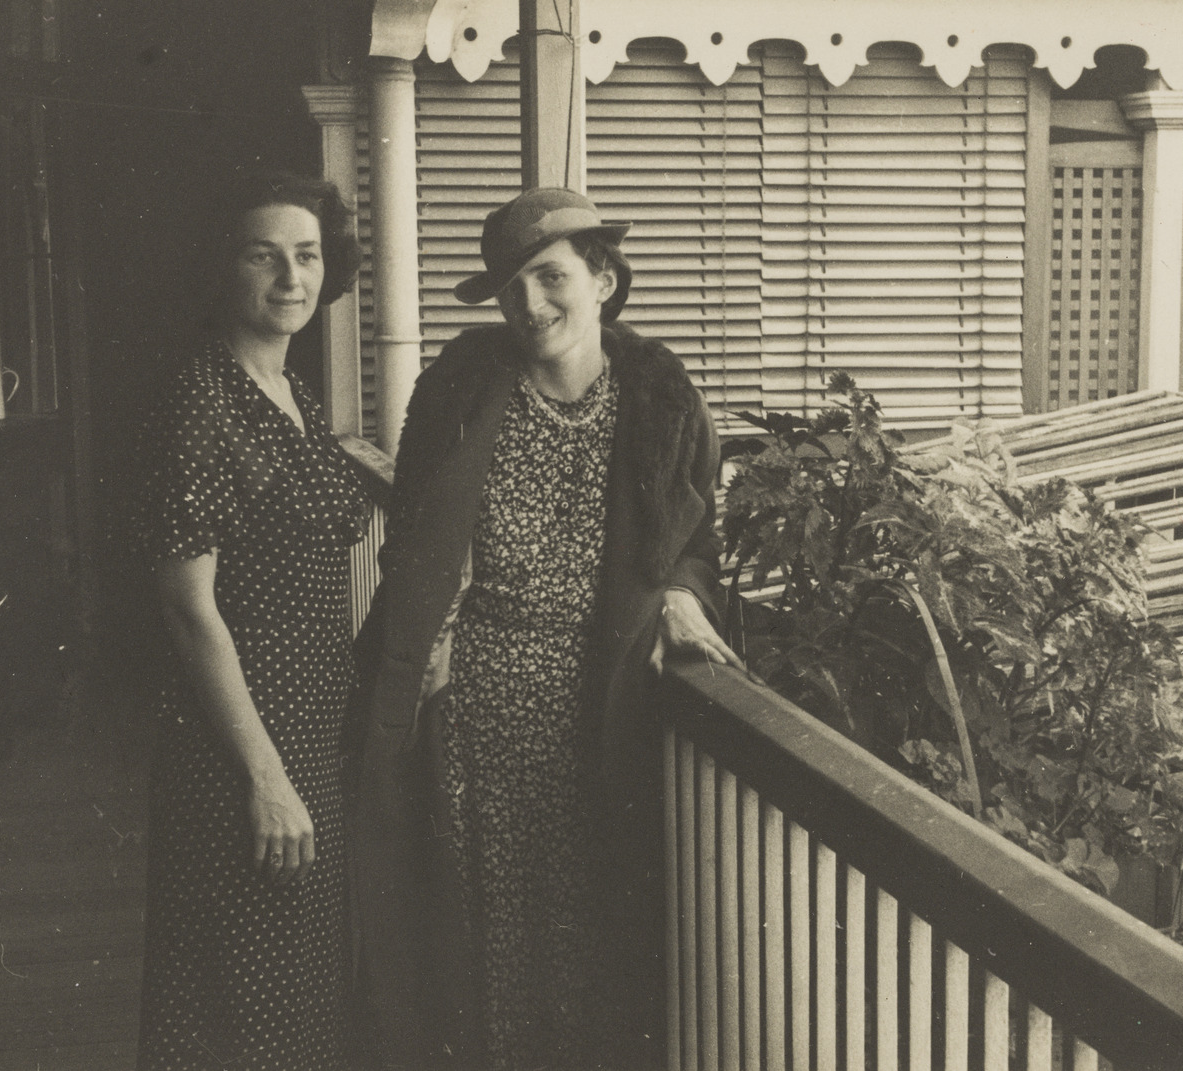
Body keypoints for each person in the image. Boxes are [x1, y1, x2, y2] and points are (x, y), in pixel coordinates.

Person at [350, 187, 745, 1071]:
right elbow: (412, 538)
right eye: (512, 285)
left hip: (600, 708)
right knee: (483, 941)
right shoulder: (460, 393)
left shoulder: (661, 401)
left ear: (603, 280)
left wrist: (679, 591)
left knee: (590, 942)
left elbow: (696, 538)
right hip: (476, 708)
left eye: (551, 277)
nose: (530, 303)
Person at [134, 170, 370, 1070]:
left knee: (295, 992)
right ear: (223, 267)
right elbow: (188, 607)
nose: (290, 278)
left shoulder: (288, 390)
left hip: (306, 736)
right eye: (262, 256)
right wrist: (266, 778)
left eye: (307, 255)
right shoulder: (204, 399)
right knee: (239, 1002)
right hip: (238, 752)